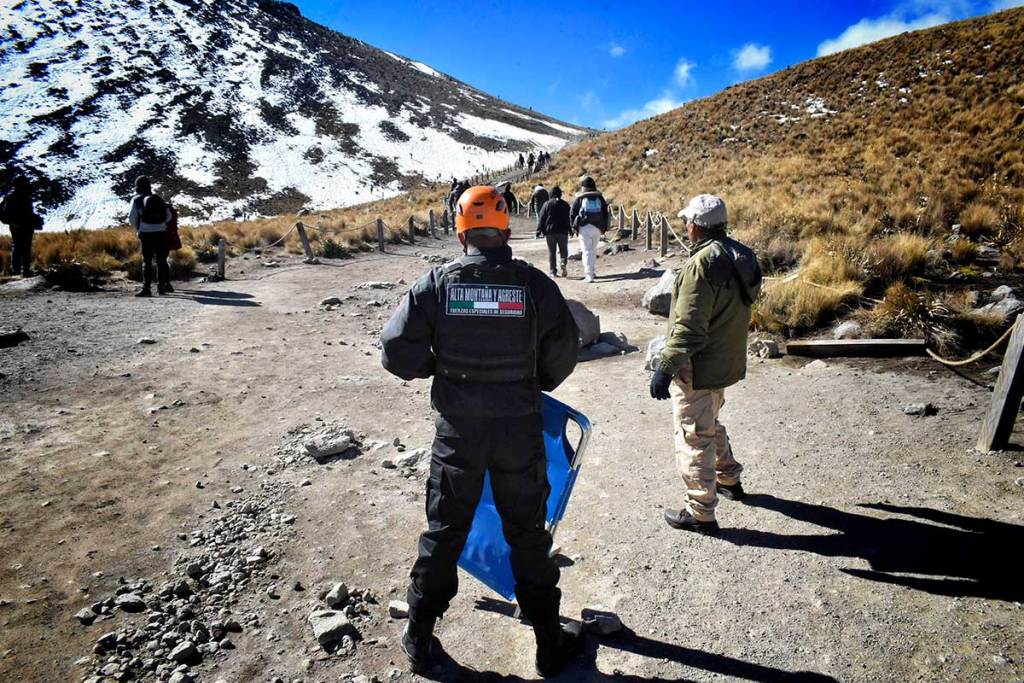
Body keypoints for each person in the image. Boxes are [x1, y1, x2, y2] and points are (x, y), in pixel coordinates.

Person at [381, 185, 583, 677]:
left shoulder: (436, 284)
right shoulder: (534, 285)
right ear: (506, 230)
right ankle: (547, 642)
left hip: (459, 433)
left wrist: (439, 368)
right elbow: (564, 349)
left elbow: (395, 351)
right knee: (527, 534)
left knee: (446, 530)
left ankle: (419, 632)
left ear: (461, 232)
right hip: (518, 428)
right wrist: (535, 382)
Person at [648, 194, 763, 535]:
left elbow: (689, 327)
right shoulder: (740, 256)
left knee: (694, 434)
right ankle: (728, 478)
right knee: (708, 422)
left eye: (688, 222)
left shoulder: (702, 265)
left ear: (695, 226)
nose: (685, 227)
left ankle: (700, 511)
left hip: (698, 365)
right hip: (723, 360)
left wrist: (665, 367)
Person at [128, 176, 173, 297]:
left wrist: (140, 228)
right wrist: (161, 225)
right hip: (161, 233)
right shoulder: (158, 199)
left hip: (146, 234)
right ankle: (161, 286)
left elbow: (132, 218)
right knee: (161, 260)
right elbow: (168, 216)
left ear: (137, 187)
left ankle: (146, 288)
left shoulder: (136, 200)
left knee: (146, 261)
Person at [569, 175, 609, 283]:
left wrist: (573, 227)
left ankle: (589, 275)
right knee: (593, 250)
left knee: (586, 251)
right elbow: (605, 213)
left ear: (584, 187)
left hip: (584, 227)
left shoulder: (580, 198)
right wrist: (604, 227)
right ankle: (592, 271)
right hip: (597, 228)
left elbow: (572, 213)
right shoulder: (599, 197)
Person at [0, 176, 42, 277]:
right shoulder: (21, 196)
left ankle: (19, 270)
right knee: (23, 247)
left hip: (18, 225)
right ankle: (23, 271)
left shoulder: (12, 196)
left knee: (19, 246)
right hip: (21, 225)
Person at [536, 186, 570, 278]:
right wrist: (570, 230)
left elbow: (541, 218)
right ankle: (563, 262)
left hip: (550, 232)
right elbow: (568, 219)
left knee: (552, 251)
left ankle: (553, 271)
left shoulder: (546, 204)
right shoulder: (565, 204)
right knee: (563, 250)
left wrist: (539, 230)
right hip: (563, 231)